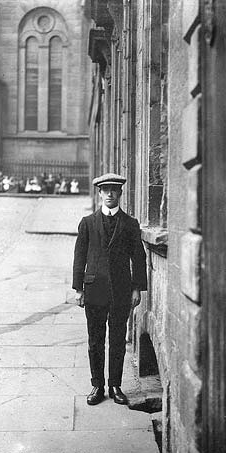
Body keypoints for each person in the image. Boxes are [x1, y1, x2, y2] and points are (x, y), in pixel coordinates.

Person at [72, 173, 147, 406]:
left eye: (114, 190)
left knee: (117, 340)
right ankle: (97, 385)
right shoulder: (87, 223)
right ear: (100, 193)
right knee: (95, 340)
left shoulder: (130, 224)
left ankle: (115, 385)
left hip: (121, 291)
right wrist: (78, 289)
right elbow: (79, 256)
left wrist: (137, 288)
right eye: (105, 190)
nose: (110, 194)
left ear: (121, 193)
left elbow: (139, 257)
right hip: (94, 289)